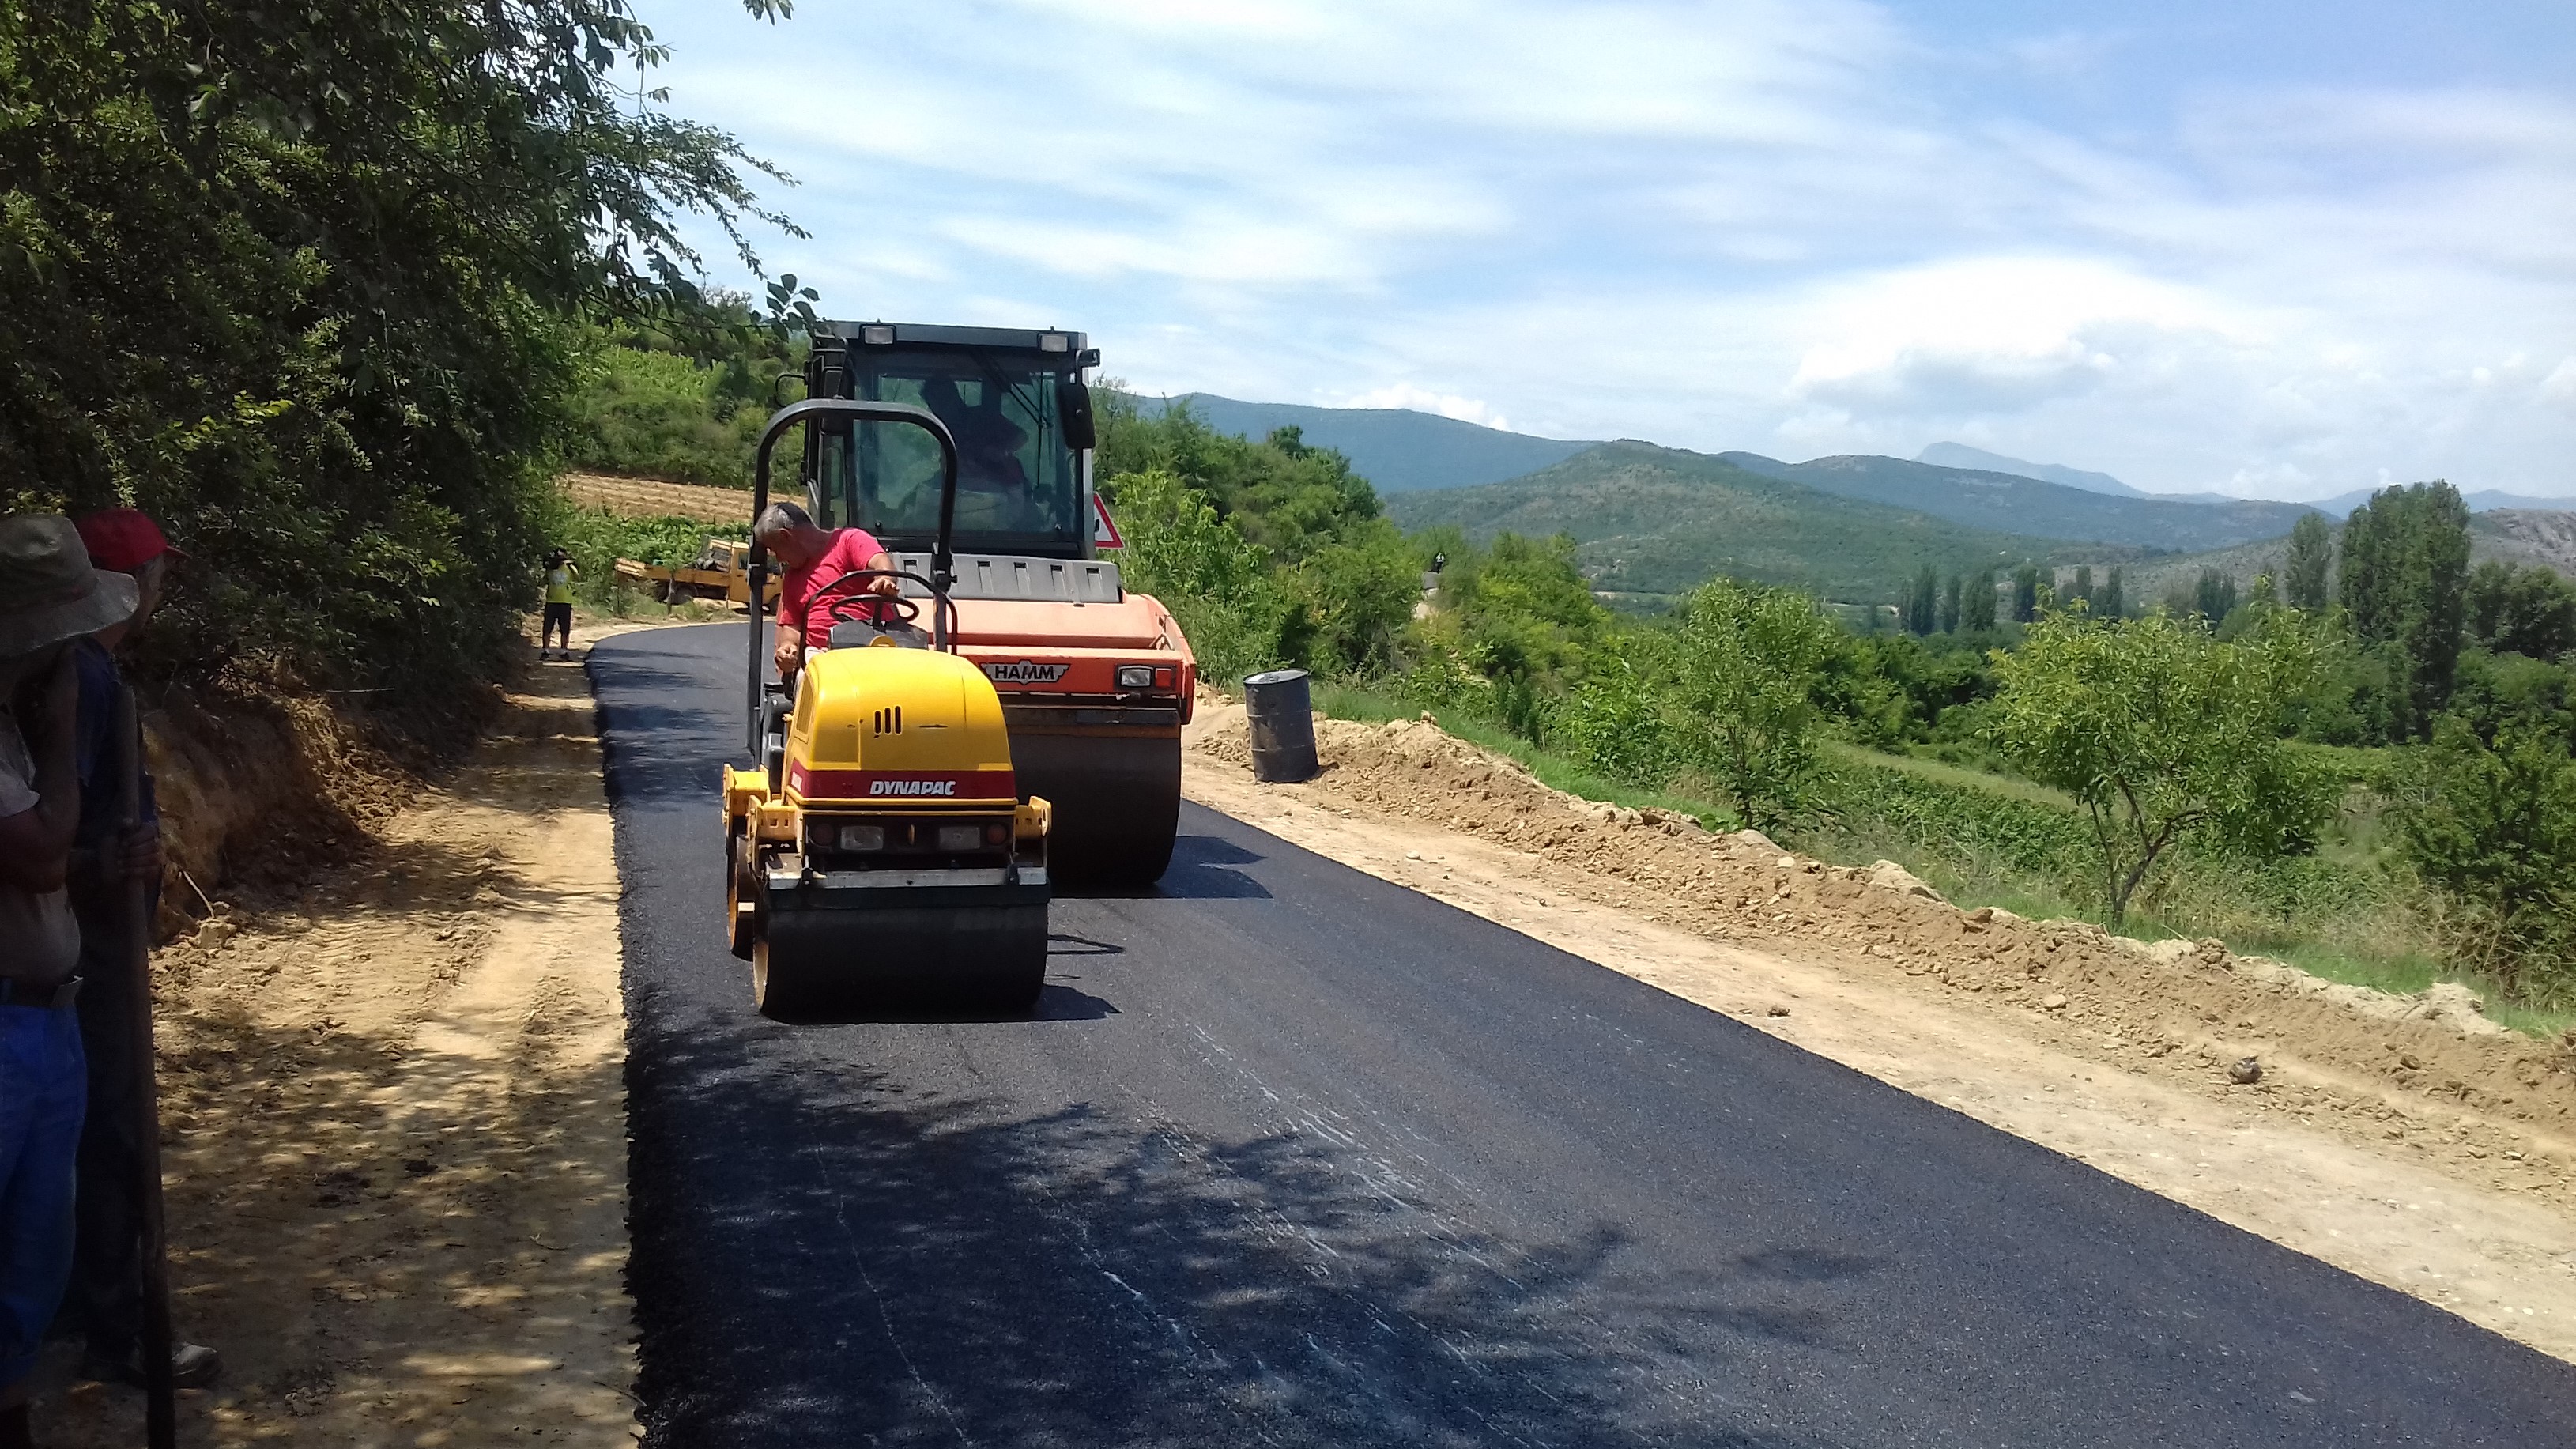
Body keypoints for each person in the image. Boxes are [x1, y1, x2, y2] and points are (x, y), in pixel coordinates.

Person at [62, 510, 219, 1391]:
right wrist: (106, 863)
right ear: (122, 586)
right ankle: (118, 1327)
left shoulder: (82, 675)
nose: (162, 590)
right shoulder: (86, 684)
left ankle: (75, 1302)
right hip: (84, 942)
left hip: (77, 934)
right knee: (115, 1127)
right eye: (156, 574)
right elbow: (64, 827)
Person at [0, 514, 137, 1449]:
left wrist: (121, 862)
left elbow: (60, 866)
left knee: (31, 1256)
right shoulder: (27, 729)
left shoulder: (16, 722)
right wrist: (58, 741)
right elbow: (40, 854)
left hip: (49, 1017)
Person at [752, 502, 896, 679]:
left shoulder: (848, 541)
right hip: (822, 656)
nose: (779, 558)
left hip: (875, 646)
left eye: (776, 550)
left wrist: (885, 579)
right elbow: (791, 625)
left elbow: (880, 562)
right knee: (812, 680)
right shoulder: (792, 578)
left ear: (786, 536)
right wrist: (788, 646)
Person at [539, 549, 579, 659]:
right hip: (551, 601)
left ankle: (563, 651)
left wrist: (570, 565)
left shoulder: (569, 568)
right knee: (547, 627)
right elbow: (543, 581)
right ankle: (546, 650)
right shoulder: (550, 568)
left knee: (565, 628)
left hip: (565, 602)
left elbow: (578, 577)